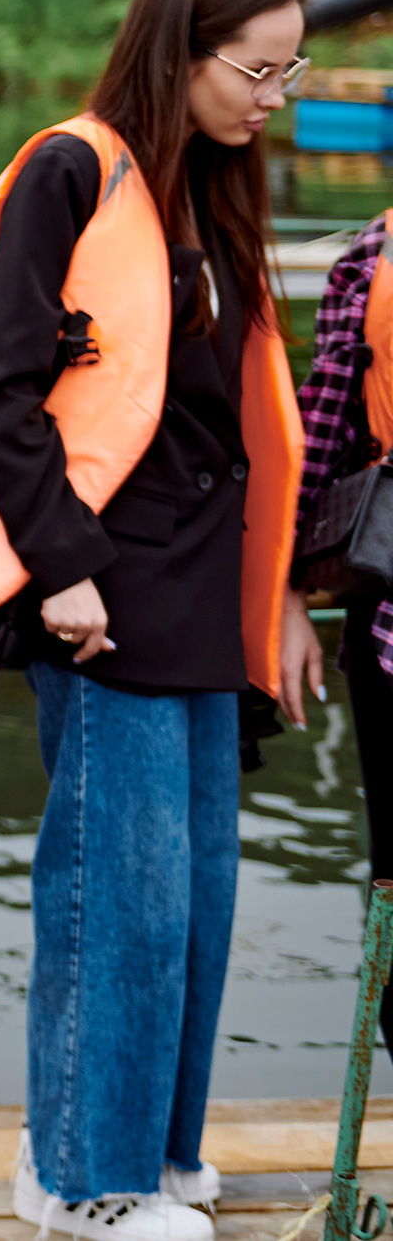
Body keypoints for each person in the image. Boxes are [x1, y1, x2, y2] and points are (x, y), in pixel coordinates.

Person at [0, 0, 317, 1241]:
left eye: (289, 70)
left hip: (206, 581)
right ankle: (85, 1179)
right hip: (103, 579)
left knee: (199, 889)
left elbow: (228, 418)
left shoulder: (216, 188)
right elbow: (5, 395)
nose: (273, 95)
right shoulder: (71, 166)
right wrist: (64, 567)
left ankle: (150, 1150)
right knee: (117, 885)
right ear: (182, 50)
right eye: (256, 70)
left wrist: (276, 593)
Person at [293, 186, 389, 1059]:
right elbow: (321, 431)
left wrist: (283, 581)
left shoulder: (371, 257)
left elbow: (319, 435)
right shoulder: (370, 259)